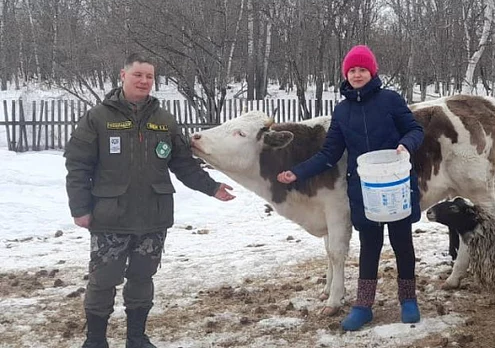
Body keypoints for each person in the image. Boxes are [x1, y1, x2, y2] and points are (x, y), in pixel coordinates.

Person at [64, 53, 235, 348]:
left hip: (153, 216)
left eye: (149, 77)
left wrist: (212, 187)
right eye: (138, 75)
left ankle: (137, 338)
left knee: (143, 278)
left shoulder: (164, 120)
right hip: (110, 217)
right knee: (104, 280)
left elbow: (182, 164)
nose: (144, 81)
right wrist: (80, 209)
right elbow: (78, 165)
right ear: (123, 75)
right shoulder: (98, 117)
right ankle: (94, 340)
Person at [277, 45, 424, 331]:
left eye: (362, 69)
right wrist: (297, 173)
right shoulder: (342, 112)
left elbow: (415, 129)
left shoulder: (391, 101)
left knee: (402, 244)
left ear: (372, 72)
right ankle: (363, 305)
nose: (357, 74)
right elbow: (329, 153)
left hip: (395, 184)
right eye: (352, 70)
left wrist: (407, 144)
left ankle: (408, 299)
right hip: (364, 189)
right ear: (346, 74)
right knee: (369, 246)